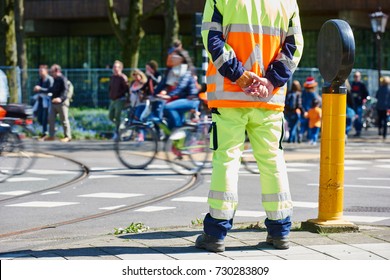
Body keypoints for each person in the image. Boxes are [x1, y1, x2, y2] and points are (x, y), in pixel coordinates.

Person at [195, 0, 304, 252]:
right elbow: (294, 47)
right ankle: (280, 232)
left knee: (227, 159)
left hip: (229, 97)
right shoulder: (288, 3)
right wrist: (270, 80)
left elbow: (212, 40)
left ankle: (216, 233)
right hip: (269, 98)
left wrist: (241, 77)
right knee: (272, 161)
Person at [156, 51, 200, 130]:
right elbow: (168, 83)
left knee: (168, 107)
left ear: (181, 59)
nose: (172, 59)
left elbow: (181, 86)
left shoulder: (187, 71)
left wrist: (169, 95)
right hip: (184, 99)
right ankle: (177, 135)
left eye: (174, 57)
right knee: (169, 117)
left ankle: (178, 129)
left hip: (191, 99)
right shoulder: (175, 70)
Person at [40, 64, 71, 142]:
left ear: (57, 71)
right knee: (51, 119)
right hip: (54, 103)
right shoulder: (55, 80)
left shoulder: (62, 79)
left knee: (64, 120)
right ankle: (51, 136)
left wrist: (60, 99)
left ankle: (67, 136)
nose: (51, 74)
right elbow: (51, 89)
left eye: (52, 72)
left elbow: (65, 91)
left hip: (62, 103)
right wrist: (41, 89)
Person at [32, 65, 54, 137]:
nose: (40, 72)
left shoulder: (49, 79)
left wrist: (40, 89)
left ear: (46, 71)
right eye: (39, 71)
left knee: (45, 117)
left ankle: (45, 132)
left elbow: (50, 90)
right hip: (40, 100)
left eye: (41, 71)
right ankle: (46, 130)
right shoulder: (40, 79)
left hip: (47, 101)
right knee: (39, 117)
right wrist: (36, 89)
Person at [108, 60, 129, 136]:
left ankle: (117, 131)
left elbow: (127, 89)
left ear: (121, 68)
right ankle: (120, 125)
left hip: (120, 99)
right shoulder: (112, 77)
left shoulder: (123, 78)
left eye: (117, 67)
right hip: (113, 99)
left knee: (117, 115)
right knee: (110, 116)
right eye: (114, 67)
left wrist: (127, 100)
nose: (115, 69)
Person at [299, 76, 321, 142]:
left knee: (303, 125)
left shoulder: (303, 92)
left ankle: (301, 133)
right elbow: (318, 102)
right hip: (312, 111)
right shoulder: (313, 94)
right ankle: (310, 138)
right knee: (310, 126)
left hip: (304, 111)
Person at [350, 71, 369, 137]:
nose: (356, 77)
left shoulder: (362, 85)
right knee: (354, 117)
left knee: (358, 118)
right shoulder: (352, 84)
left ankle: (358, 131)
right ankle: (356, 130)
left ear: (360, 77)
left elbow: (366, 94)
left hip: (359, 104)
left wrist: (364, 99)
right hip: (353, 104)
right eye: (355, 76)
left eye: (357, 76)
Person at [376, 76, 390, 140]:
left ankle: (379, 130)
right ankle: (384, 134)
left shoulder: (380, 89)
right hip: (386, 107)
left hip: (379, 107)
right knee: (385, 120)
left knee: (380, 119)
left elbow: (376, 96)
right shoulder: (389, 89)